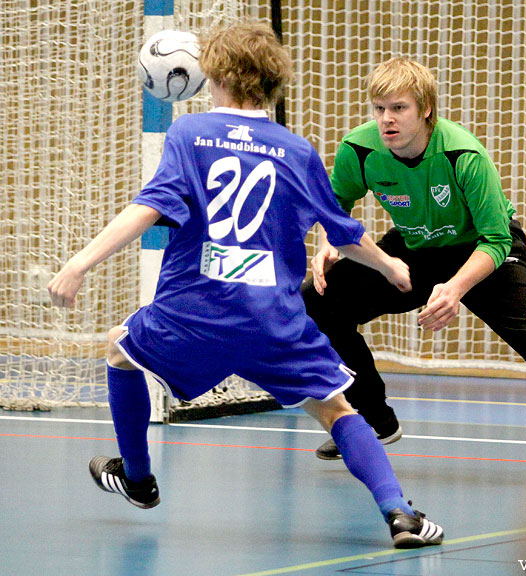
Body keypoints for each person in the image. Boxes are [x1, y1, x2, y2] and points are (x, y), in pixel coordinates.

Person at [47, 24, 443, 549]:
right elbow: (343, 234)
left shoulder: (188, 135)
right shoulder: (296, 150)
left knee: (121, 353)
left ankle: (138, 479)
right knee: (336, 410)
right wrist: (390, 267)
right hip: (272, 320)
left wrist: (79, 264)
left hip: (195, 311)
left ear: (212, 74)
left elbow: (148, 208)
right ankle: (399, 513)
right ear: (274, 80)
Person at [302, 57, 526, 460]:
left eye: (398, 108)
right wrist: (329, 242)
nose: (386, 120)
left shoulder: (464, 154)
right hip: (418, 249)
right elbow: (334, 206)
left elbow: (496, 239)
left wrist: (455, 289)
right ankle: (374, 420)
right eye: (380, 109)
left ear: (425, 109)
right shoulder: (359, 149)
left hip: (485, 251)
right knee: (317, 301)